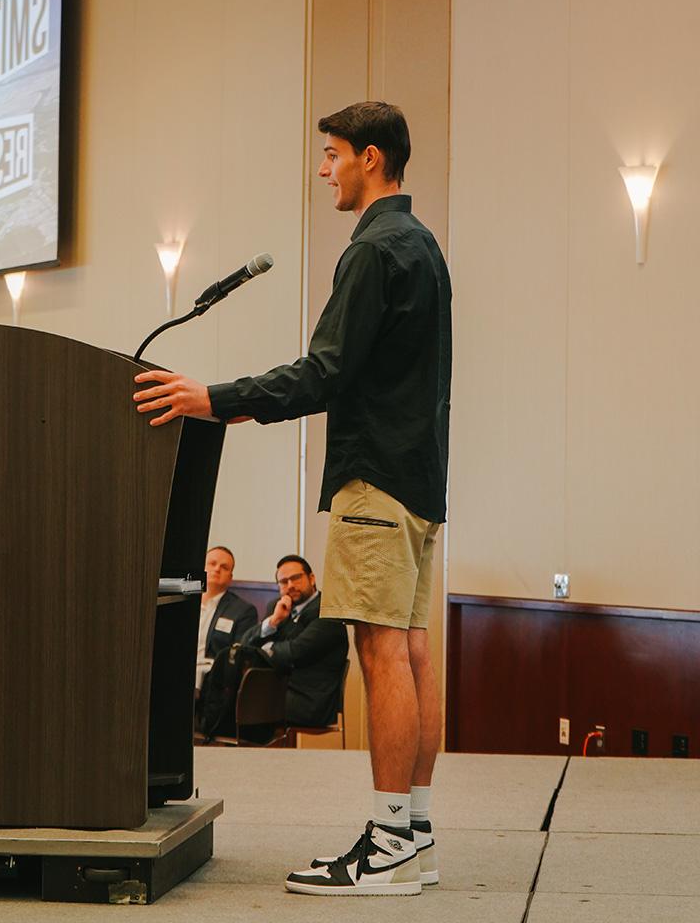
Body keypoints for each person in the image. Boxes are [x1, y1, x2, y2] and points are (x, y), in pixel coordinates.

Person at [133, 102, 451, 897]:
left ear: (370, 158)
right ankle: (413, 831)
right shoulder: (425, 247)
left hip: (374, 475)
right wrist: (241, 402)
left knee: (381, 651)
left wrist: (217, 395)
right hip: (418, 476)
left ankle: (385, 845)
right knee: (410, 648)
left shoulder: (374, 249)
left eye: (332, 155)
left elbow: (326, 370)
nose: (324, 171)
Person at [241, 554, 348, 728]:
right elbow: (245, 645)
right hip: (280, 690)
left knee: (246, 702)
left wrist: (265, 649)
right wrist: (273, 621)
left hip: (310, 700)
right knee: (233, 694)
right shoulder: (278, 607)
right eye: (284, 582)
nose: (290, 585)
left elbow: (294, 652)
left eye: (296, 578)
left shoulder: (328, 611)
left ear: (311, 578)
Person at [196, 546, 257, 690]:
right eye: (212, 563)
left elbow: (238, 656)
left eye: (224, 567)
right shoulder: (182, 600)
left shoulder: (243, 611)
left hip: (213, 683)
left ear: (230, 578)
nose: (217, 569)